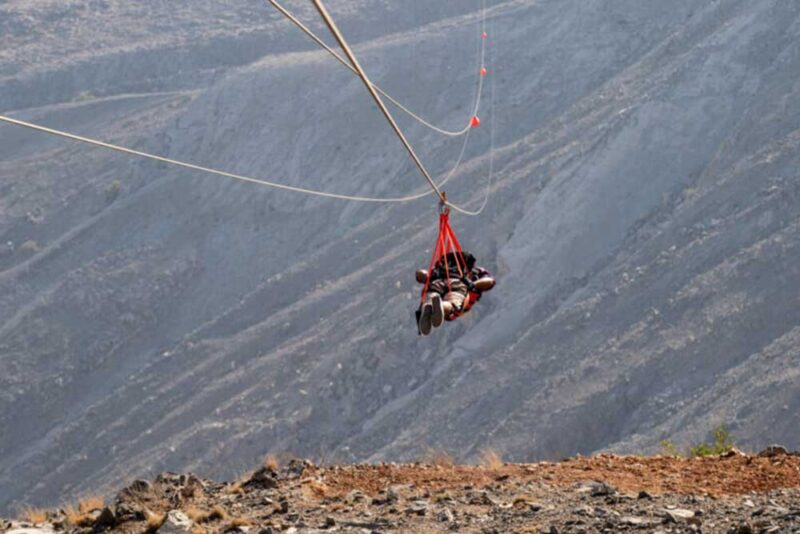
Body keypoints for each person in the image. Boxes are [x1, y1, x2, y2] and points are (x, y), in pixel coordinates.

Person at [415, 251, 495, 335]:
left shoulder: (440, 268)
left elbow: (420, 274)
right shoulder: (474, 271)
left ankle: (429, 305)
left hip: (437, 282)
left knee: (431, 295)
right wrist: (471, 285)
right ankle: (441, 306)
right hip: (458, 284)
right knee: (452, 304)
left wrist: (428, 277)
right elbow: (490, 281)